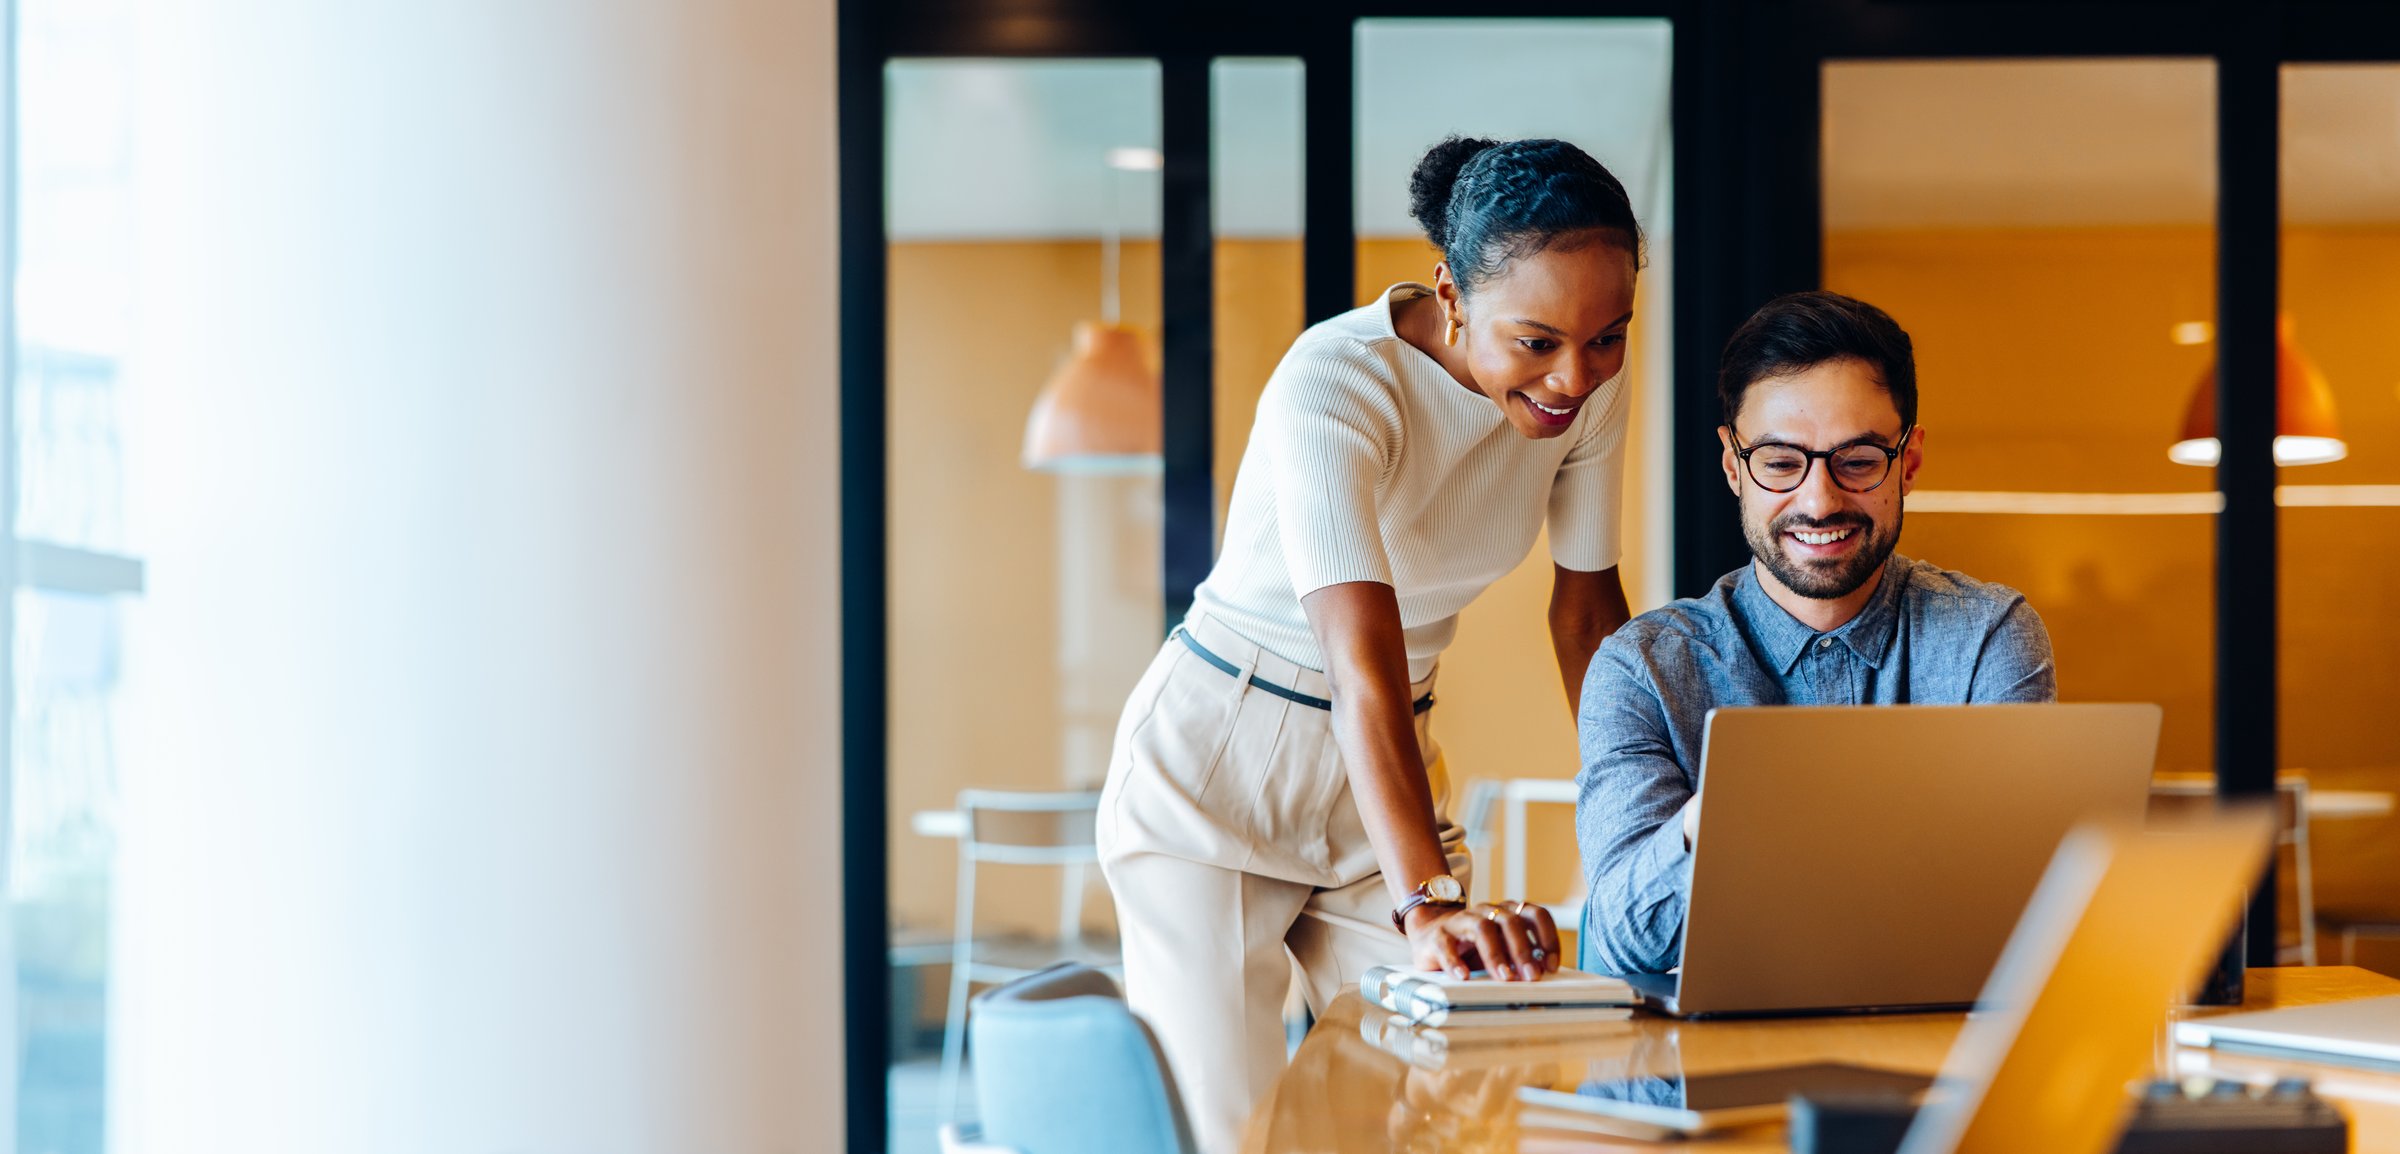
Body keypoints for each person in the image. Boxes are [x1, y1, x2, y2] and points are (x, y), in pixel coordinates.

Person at [1096, 136, 1642, 1153]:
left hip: (1382, 763)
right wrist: (1428, 896)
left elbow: (1588, 616)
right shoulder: (1337, 382)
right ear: (1452, 292)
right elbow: (1361, 659)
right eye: (1538, 342)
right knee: (1233, 1132)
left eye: (1608, 335)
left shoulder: (1584, 389)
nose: (1577, 374)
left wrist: (1643, 814)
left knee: (1455, 1100)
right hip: (1219, 765)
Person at [1572, 290, 2057, 977]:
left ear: (1908, 462)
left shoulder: (1988, 639)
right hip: (1707, 1072)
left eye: (1857, 460)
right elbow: (1626, 936)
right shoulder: (1642, 668)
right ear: (1733, 465)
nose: (1820, 499)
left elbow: (2025, 915)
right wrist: (1728, 814)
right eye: (1779, 462)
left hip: (1929, 1064)